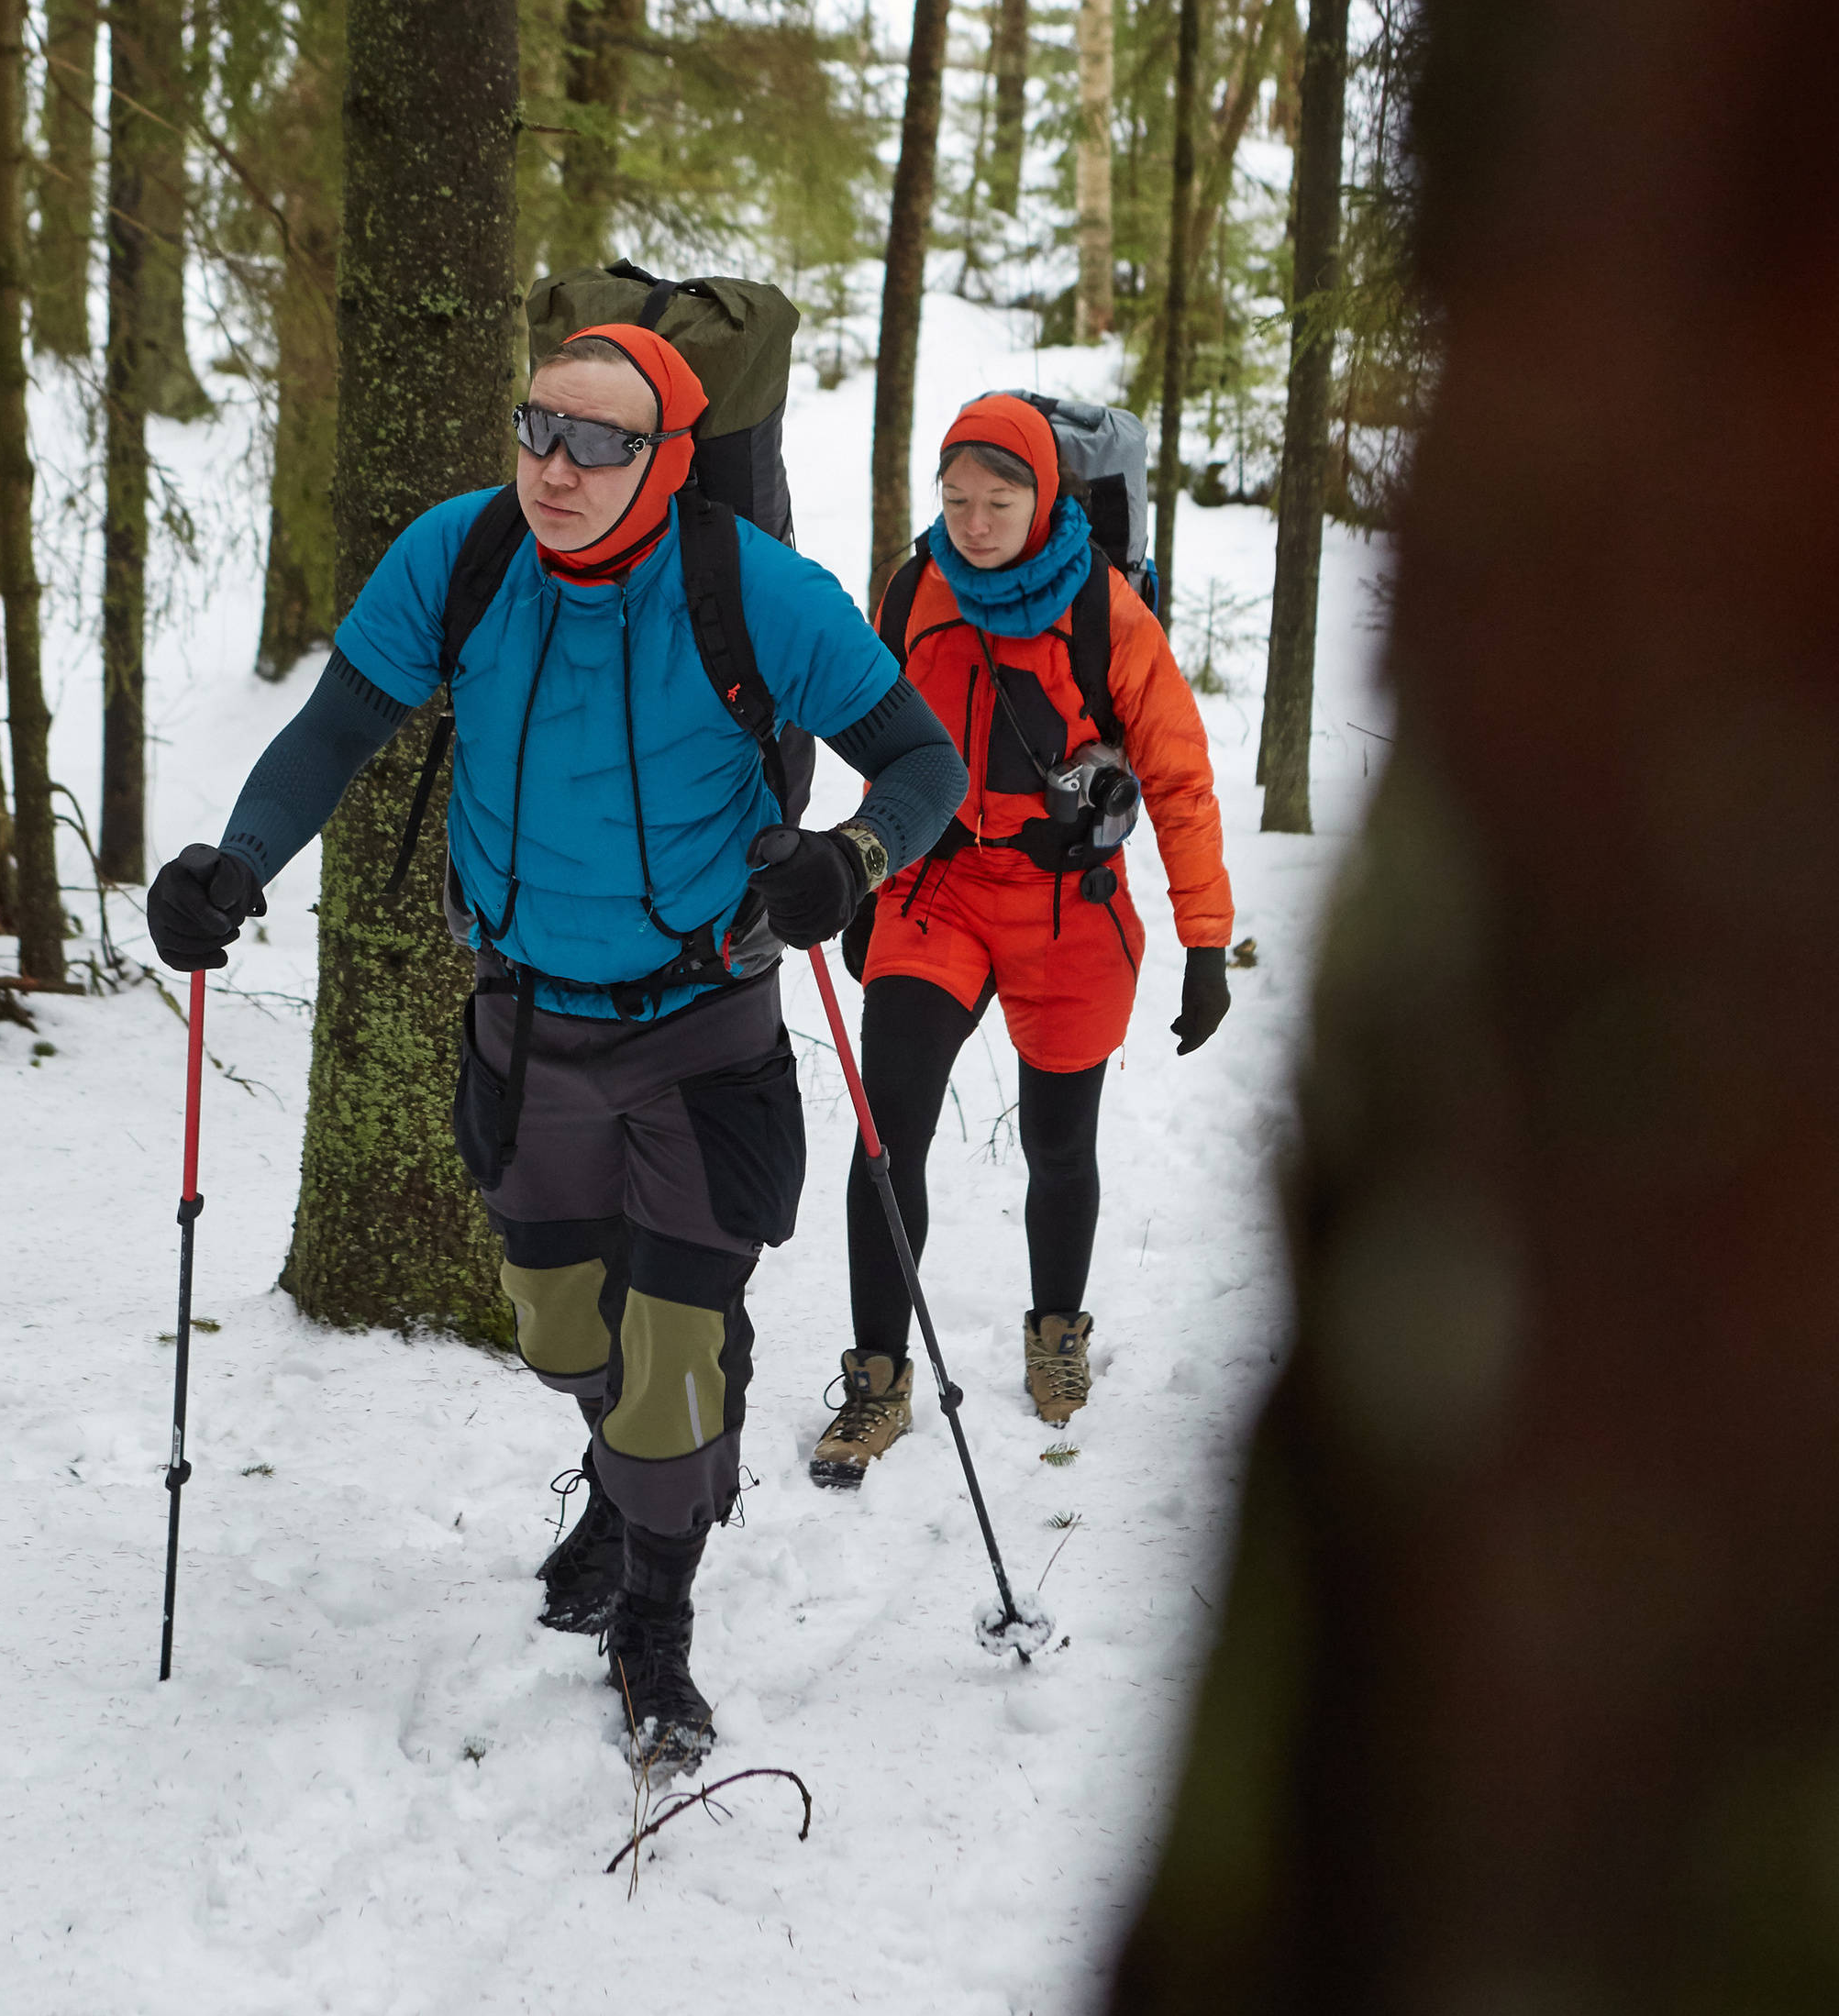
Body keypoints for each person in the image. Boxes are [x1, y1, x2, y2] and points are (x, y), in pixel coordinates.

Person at [146, 322, 964, 1776]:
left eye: (599, 442)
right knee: (558, 1328)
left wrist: (853, 857)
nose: (557, 467)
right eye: (538, 429)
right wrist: (238, 863)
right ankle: (649, 1462)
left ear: (668, 461)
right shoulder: (459, 560)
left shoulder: (752, 591)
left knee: (662, 1365)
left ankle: (658, 1624)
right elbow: (339, 726)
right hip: (527, 1019)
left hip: (704, 1029)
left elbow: (923, 761)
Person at [809, 393, 1233, 1488]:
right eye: (954, 499)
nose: (974, 522)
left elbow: (1179, 777)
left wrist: (1203, 940)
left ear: (1046, 500)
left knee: (1057, 1143)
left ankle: (1056, 1331)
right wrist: (861, 866)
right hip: (937, 887)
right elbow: (878, 731)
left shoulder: (1105, 614)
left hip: (1064, 906)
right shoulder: (914, 589)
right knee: (883, 1133)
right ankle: (878, 1376)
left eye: (999, 501)